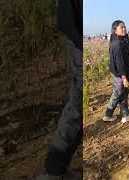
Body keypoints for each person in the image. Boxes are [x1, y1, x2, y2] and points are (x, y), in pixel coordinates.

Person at [36, 0, 81, 179]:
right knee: (77, 108)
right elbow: (64, 19)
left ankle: (56, 167)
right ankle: (53, 169)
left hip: (78, 40)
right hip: (79, 45)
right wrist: (80, 41)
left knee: (78, 107)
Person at [102, 20, 129, 123]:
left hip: (122, 74)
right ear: (115, 30)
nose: (124, 29)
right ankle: (108, 114)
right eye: (121, 27)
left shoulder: (119, 40)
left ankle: (125, 114)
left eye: (124, 27)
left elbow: (126, 39)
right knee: (117, 94)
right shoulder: (117, 45)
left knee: (123, 93)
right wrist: (124, 78)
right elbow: (120, 63)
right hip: (121, 75)